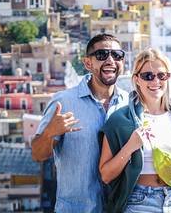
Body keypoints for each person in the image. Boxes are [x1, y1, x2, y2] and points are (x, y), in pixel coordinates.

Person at [31, 33, 130, 212]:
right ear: (87, 63)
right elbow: (38, 154)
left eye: (117, 55)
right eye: (102, 55)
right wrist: (49, 133)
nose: (110, 60)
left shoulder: (130, 104)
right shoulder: (64, 102)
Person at [99, 49, 171, 213]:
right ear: (137, 79)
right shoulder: (120, 121)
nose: (155, 81)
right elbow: (105, 175)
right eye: (148, 76)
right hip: (139, 201)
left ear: (168, 77)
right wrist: (130, 146)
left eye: (161, 75)